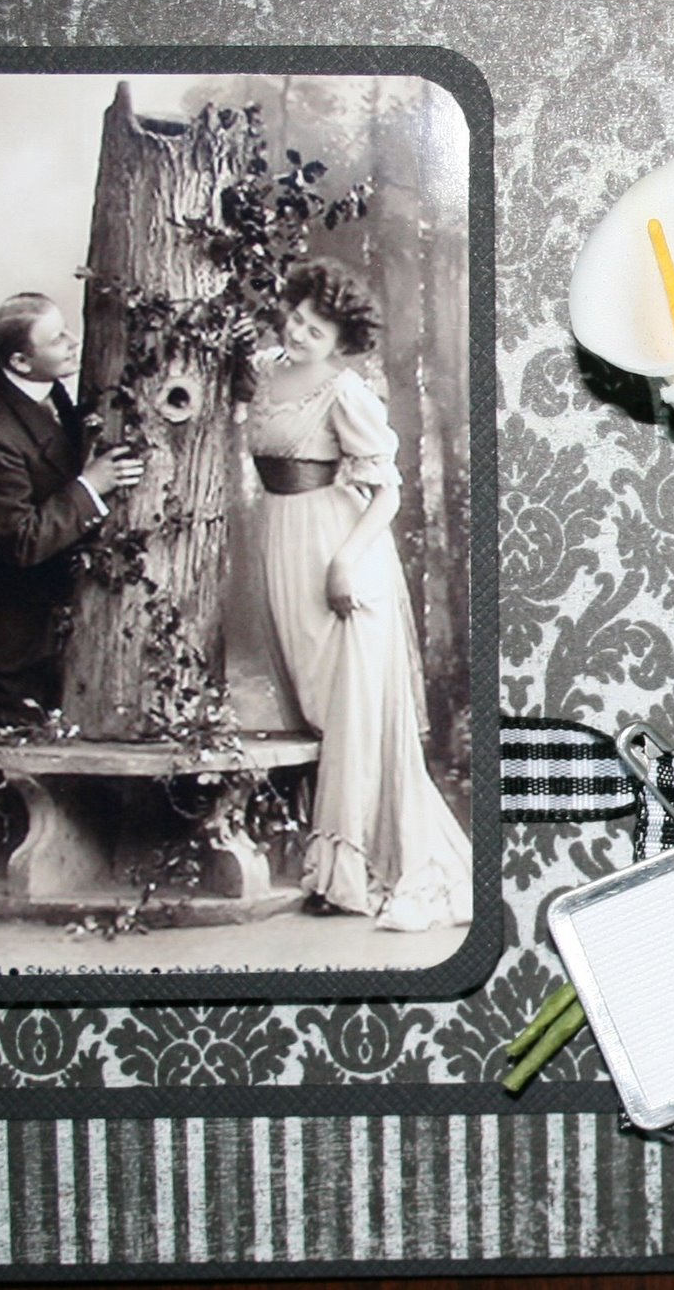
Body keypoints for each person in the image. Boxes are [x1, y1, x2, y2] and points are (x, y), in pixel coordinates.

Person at [239, 261, 472, 933]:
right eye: (296, 319)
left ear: (342, 341)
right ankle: (321, 856)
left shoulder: (345, 392)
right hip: (278, 542)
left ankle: (348, 872)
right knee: (308, 705)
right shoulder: (263, 369)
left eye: (316, 331)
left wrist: (345, 561)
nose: (299, 333)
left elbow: (387, 491)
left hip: (336, 550)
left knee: (350, 710)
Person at [0, 292, 143, 788]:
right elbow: (22, 540)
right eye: (56, 339)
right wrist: (91, 486)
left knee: (52, 722)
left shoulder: (42, 387)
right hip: (1, 617)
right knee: (18, 722)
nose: (73, 342)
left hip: (42, 603)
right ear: (19, 361)